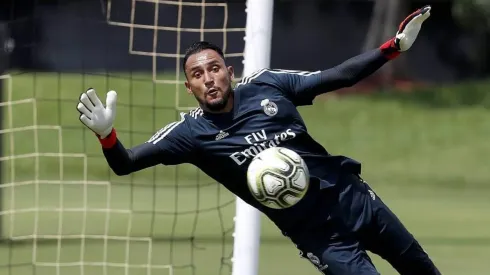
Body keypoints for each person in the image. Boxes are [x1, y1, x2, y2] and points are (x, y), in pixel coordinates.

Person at [76, 5, 440, 275]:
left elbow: (338, 77)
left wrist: (393, 47)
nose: (209, 79)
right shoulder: (189, 134)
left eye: (215, 68)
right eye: (198, 74)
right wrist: (107, 135)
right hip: (319, 237)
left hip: (353, 197)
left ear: (229, 72)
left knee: (420, 267)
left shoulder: (268, 85)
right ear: (189, 87)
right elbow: (125, 164)